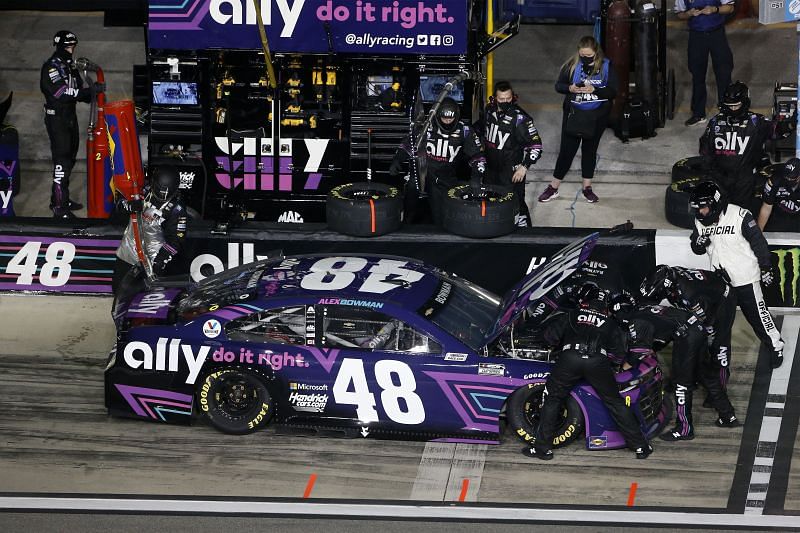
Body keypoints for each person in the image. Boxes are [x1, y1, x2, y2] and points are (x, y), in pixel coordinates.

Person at [523, 283, 652, 461]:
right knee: (615, 402)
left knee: (553, 399)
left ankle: (543, 449)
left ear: (584, 303)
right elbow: (618, 355)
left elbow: (548, 338)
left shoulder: (571, 314)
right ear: (605, 307)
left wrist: (559, 347)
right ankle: (640, 446)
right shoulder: (610, 323)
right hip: (597, 362)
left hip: (569, 359)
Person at [617, 284, 737, 437]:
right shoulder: (644, 309)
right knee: (707, 375)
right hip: (697, 328)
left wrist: (621, 369)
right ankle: (728, 415)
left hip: (687, 337)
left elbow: (637, 355)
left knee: (681, 384)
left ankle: (684, 429)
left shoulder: (636, 322)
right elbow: (662, 334)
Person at [689, 180, 785, 368]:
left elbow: (758, 242)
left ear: (715, 203)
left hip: (746, 278)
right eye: (698, 209)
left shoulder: (740, 215)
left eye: (704, 208)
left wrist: (766, 267)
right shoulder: (699, 222)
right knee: (719, 324)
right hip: (721, 283)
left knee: (758, 317)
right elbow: (696, 247)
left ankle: (776, 345)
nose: (700, 212)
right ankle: (716, 358)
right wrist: (697, 244)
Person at [639, 265, 737, 409]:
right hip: (705, 295)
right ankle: (686, 379)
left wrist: (706, 337)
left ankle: (718, 393)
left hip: (723, 301)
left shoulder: (688, 294)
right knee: (689, 341)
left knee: (718, 347)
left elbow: (704, 321)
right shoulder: (672, 278)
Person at [538, 36, 617, 205]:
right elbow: (559, 85)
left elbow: (612, 91)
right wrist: (570, 88)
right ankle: (553, 187)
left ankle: (587, 188)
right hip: (574, 115)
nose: (585, 58)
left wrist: (595, 90)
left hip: (596, 117)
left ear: (596, 52)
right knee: (567, 151)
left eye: (589, 55)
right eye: (582, 55)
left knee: (590, 151)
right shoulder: (572, 65)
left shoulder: (606, 66)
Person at [390, 97, 486, 222]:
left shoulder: (465, 130)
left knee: (441, 217)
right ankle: (406, 222)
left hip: (446, 175)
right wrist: (397, 159)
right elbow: (409, 143)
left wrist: (476, 177)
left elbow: (478, 156)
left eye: (450, 118)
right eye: (444, 118)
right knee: (411, 188)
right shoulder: (427, 127)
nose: (447, 121)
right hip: (424, 171)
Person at [40, 30, 103, 218]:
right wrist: (87, 93)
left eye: (73, 46)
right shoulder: (51, 68)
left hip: (70, 117)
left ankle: (61, 198)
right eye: (68, 46)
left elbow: (77, 88)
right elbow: (60, 92)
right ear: (59, 47)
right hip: (57, 119)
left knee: (70, 160)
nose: (71, 50)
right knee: (61, 164)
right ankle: (59, 208)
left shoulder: (70, 66)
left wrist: (90, 92)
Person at [112, 165, 188, 299]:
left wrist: (160, 261)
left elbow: (175, 241)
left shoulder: (177, 209)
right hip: (128, 250)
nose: (163, 196)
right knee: (118, 291)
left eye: (166, 193)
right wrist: (128, 205)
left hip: (152, 258)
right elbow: (118, 208)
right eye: (159, 192)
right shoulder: (140, 190)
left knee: (146, 297)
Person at [699, 81, 771, 212]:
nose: (733, 109)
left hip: (744, 179)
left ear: (745, 102)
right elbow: (705, 149)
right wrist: (710, 172)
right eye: (730, 106)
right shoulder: (715, 122)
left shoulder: (756, 122)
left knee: (739, 214)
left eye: (736, 106)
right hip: (719, 177)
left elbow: (777, 131)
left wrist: (791, 123)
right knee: (716, 212)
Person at [480, 81, 542, 227]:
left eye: (508, 98)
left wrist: (524, 167)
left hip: (511, 171)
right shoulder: (489, 110)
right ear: (495, 98)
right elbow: (481, 128)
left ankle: (526, 235)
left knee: (516, 204)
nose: (505, 102)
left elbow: (536, 146)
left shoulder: (520, 118)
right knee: (491, 200)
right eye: (501, 99)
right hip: (491, 169)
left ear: (513, 97)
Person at [675, 0, 734, 126]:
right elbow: (679, 13)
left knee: (723, 72)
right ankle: (698, 113)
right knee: (697, 74)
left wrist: (714, 9)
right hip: (696, 36)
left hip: (717, 34)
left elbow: (730, 8)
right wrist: (689, 14)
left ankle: (726, 112)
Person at [757, 157, 800, 232]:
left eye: (792, 178)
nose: (789, 180)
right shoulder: (775, 180)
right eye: (787, 177)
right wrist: (758, 233)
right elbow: (766, 207)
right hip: (778, 215)